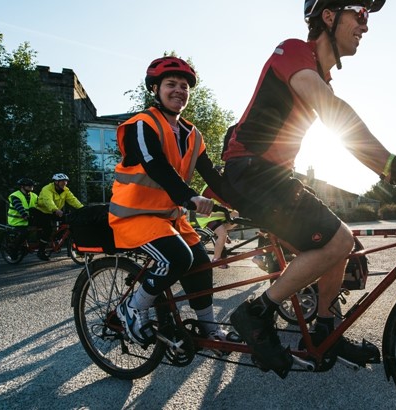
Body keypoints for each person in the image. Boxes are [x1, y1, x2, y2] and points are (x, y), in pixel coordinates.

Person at [221, 0, 396, 378]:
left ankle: (327, 328)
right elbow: (331, 111)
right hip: (250, 170)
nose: (365, 26)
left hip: (273, 174)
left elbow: (330, 112)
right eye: (360, 14)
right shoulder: (294, 51)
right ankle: (256, 313)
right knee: (338, 241)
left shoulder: (320, 75)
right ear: (328, 15)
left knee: (339, 244)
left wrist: (391, 167)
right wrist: (392, 166)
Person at [111, 56, 241, 348]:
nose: (179, 90)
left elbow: (213, 177)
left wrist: (244, 203)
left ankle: (209, 329)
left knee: (201, 265)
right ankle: (130, 308)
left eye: (184, 86)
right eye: (171, 84)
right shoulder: (141, 125)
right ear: (155, 89)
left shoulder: (193, 135)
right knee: (177, 259)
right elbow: (155, 164)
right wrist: (189, 197)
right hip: (135, 216)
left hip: (169, 218)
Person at [34, 173, 84, 260]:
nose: (64, 184)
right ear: (56, 182)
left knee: (70, 222)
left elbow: (73, 200)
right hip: (43, 212)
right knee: (47, 229)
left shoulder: (65, 190)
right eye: (62, 182)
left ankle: (58, 239)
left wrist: (82, 208)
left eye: (66, 182)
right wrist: (56, 210)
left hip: (55, 211)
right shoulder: (47, 189)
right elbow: (48, 201)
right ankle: (41, 251)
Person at [196, 175, 240, 269]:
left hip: (218, 214)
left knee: (237, 215)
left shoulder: (219, 185)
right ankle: (216, 260)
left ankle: (222, 232)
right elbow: (225, 202)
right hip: (207, 217)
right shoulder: (210, 187)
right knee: (222, 234)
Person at [6, 177, 38, 258]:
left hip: (29, 220)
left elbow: (41, 206)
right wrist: (24, 215)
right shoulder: (15, 196)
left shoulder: (34, 196)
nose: (31, 187)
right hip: (17, 221)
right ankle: (13, 251)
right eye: (29, 186)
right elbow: (18, 206)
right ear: (22, 186)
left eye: (32, 186)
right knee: (23, 233)